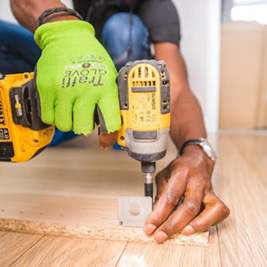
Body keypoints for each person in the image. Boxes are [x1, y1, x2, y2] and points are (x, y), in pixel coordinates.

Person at [1, 0, 230, 243]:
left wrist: (196, 149)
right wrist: (63, 29)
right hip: (69, 64)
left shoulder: (158, 7)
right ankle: (47, 109)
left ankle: (100, 122)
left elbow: (178, 90)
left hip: (113, 96)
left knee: (123, 29)